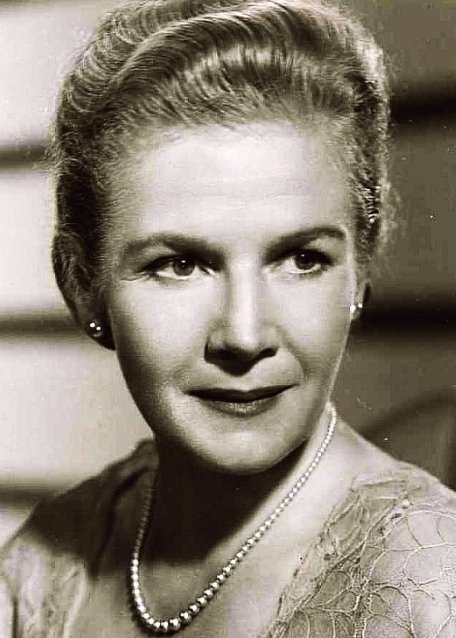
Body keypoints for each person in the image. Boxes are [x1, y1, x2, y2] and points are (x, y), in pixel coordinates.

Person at [1, 0, 456, 635]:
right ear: (82, 285)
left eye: (302, 259)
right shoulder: (38, 572)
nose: (245, 335)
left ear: (361, 269)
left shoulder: (434, 588)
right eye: (180, 264)